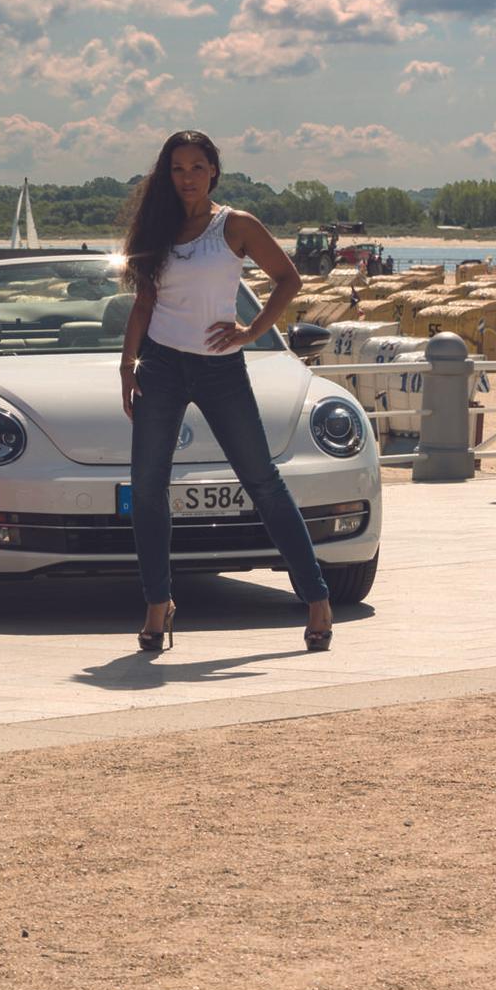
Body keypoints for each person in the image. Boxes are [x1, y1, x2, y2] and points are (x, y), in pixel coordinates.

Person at [116, 130, 334, 653]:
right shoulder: (159, 227)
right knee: (147, 489)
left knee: (262, 481)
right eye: (176, 169)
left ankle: (317, 599)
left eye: (196, 167)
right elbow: (144, 303)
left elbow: (288, 280)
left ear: (213, 170)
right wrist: (128, 365)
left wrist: (250, 332)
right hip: (161, 366)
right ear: (166, 175)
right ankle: (157, 605)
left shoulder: (234, 225)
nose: (186, 178)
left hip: (220, 368)